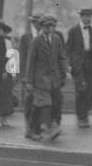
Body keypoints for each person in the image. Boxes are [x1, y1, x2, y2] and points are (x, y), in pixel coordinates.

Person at [28, 14, 68, 142]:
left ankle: (33, 129)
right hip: (40, 78)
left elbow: (61, 57)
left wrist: (64, 73)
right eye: (46, 26)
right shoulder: (36, 41)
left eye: (52, 26)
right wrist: (29, 81)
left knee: (53, 103)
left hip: (54, 78)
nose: (49, 29)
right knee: (45, 104)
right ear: (41, 27)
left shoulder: (56, 39)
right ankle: (45, 128)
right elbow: (30, 62)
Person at [67, 8, 92, 129]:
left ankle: (85, 110)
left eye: (90, 16)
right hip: (78, 64)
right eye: (86, 16)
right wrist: (71, 65)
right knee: (81, 90)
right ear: (81, 17)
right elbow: (69, 50)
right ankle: (82, 117)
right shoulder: (73, 31)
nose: (89, 18)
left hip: (90, 63)